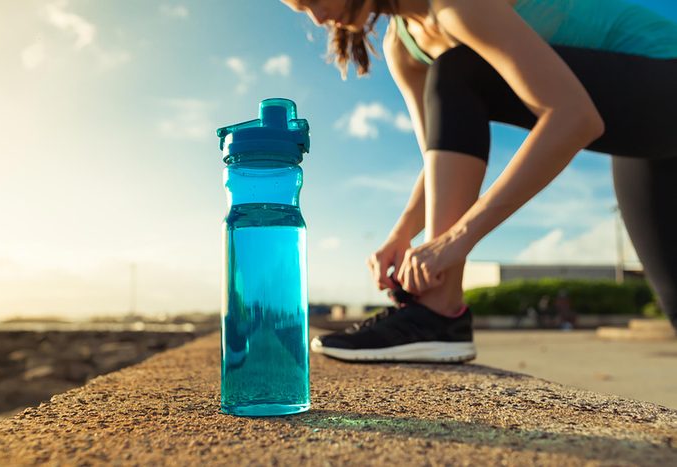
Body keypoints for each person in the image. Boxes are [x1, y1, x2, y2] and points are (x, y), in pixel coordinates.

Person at [280, 0, 677, 362]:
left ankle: (438, 313)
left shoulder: (455, 5)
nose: (317, 18)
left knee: (455, 68)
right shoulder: (403, 48)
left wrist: (455, 240)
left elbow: (573, 118)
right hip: (644, 136)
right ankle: (436, 314)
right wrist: (400, 236)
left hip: (664, 75)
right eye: (302, 11)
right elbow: (444, 159)